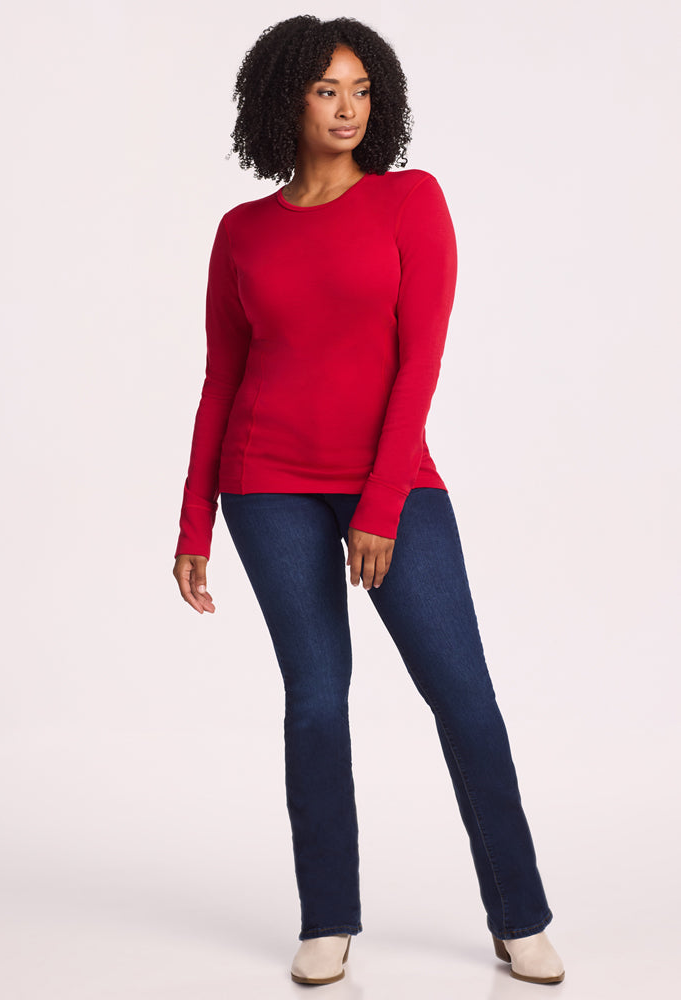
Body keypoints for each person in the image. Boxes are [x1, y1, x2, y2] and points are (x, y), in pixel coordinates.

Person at [172, 14, 565, 988]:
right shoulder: (242, 232)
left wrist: (381, 503)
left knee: (461, 693)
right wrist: (192, 523)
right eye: (325, 90)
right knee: (314, 702)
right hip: (263, 484)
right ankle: (327, 917)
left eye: (361, 90)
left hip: (390, 481)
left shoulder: (410, 202)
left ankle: (517, 914)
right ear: (284, 101)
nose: (348, 108)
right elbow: (221, 380)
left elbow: (419, 362)